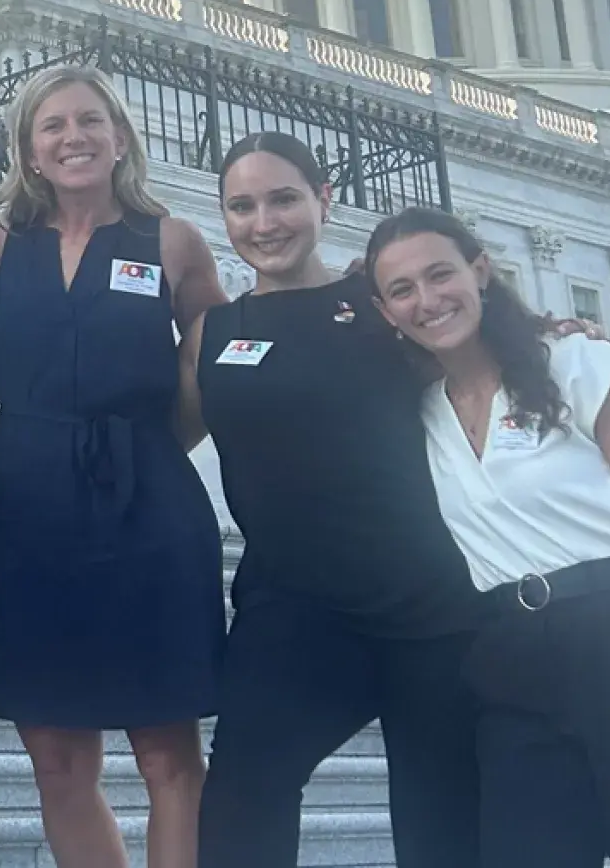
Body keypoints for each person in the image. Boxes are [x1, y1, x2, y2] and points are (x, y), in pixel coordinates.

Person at [185, 133, 483, 868]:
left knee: (442, 827)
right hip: (291, 613)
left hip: (428, 608)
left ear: (323, 199)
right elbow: (159, 442)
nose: (265, 222)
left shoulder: (383, 305)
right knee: (239, 811)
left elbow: (488, 359)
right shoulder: (213, 332)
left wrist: (562, 334)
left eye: (284, 198)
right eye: (242, 205)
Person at [367, 206, 610, 868]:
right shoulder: (418, 415)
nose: (427, 300)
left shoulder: (576, 362)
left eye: (440, 274)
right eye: (401, 289)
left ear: (481, 271)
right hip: (512, 660)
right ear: (385, 310)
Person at [0, 66, 225, 868]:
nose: (73, 137)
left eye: (90, 121)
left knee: (168, 756)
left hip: (146, 507)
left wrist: (148, 450)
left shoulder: (173, 242)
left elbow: (217, 368)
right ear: (30, 151)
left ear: (121, 138)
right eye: (53, 126)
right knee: (56, 757)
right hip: (29, 510)